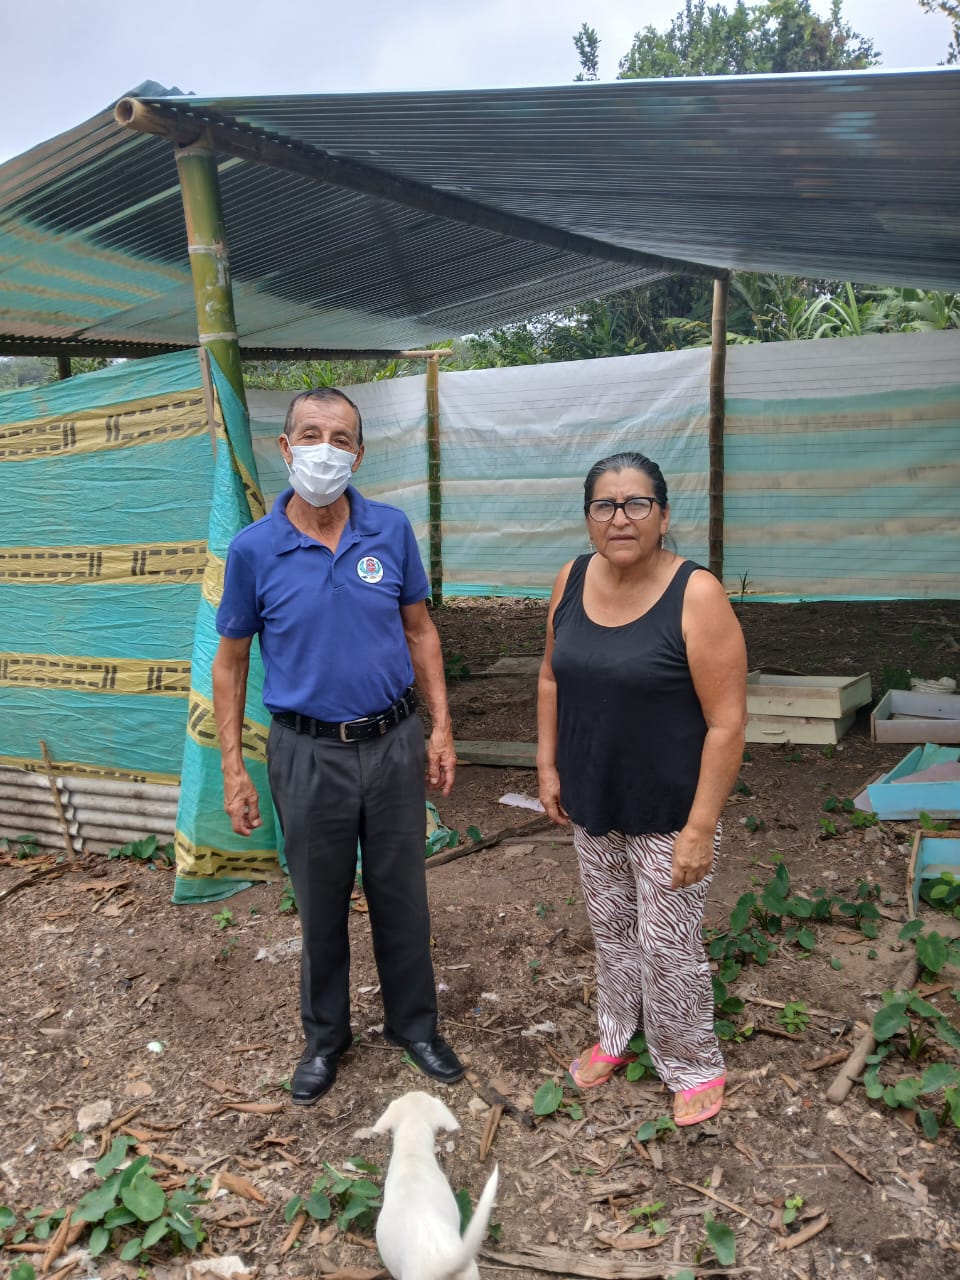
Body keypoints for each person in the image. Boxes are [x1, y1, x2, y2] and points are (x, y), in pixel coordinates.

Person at [213, 387, 464, 1104]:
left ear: (358, 454)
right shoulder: (254, 550)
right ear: (286, 447)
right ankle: (326, 1040)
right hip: (306, 752)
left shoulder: (389, 530)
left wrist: (441, 727)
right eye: (311, 435)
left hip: (392, 743)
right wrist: (232, 768)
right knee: (320, 903)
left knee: (401, 895)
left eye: (342, 438)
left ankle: (415, 1027)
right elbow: (230, 662)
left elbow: (420, 632)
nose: (325, 450)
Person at [537, 451, 746, 1127]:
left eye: (636, 504)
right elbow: (551, 678)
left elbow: (727, 722)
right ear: (588, 517)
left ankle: (692, 1063)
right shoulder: (571, 579)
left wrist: (701, 826)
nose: (620, 518)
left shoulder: (697, 594)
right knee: (613, 931)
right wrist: (548, 765)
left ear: (662, 515)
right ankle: (616, 1034)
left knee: (667, 945)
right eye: (604, 505)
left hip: (670, 808)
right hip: (593, 798)